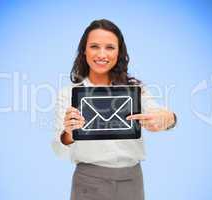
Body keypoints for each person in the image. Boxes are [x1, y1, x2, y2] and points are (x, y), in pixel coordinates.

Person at [53, 19, 177, 200]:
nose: (102, 54)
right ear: (84, 51)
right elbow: (59, 148)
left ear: (119, 53)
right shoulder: (69, 94)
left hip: (132, 180)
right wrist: (70, 132)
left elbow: (159, 115)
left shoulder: (136, 90)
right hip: (89, 181)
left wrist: (169, 118)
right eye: (94, 46)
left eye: (110, 47)